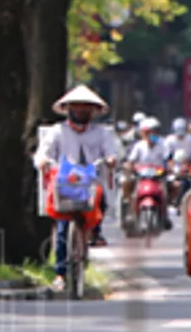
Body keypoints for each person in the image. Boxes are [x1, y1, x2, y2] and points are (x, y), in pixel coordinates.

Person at [33, 84, 123, 288]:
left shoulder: (102, 133)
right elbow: (43, 152)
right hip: (65, 183)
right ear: (69, 109)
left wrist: (111, 158)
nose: (81, 111)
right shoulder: (57, 131)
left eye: (86, 108)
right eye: (77, 107)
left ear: (93, 111)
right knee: (63, 228)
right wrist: (43, 161)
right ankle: (60, 273)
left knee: (100, 200)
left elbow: (113, 151)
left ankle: (95, 232)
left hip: (92, 182)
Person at [126, 117, 174, 230]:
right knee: (127, 183)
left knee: (174, 185)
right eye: (148, 132)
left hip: (159, 177)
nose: (151, 135)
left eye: (154, 132)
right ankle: (131, 210)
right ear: (143, 133)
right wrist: (130, 168)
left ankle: (166, 212)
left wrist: (170, 168)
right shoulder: (139, 146)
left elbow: (169, 160)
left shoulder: (163, 144)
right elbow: (131, 162)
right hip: (141, 177)